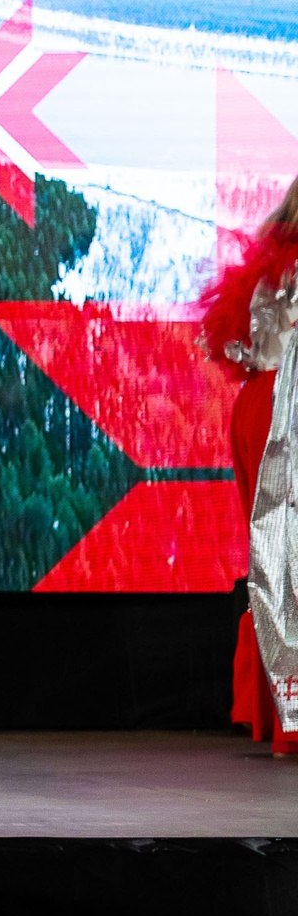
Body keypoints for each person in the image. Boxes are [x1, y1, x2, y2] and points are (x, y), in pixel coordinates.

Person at [203, 175, 298, 756]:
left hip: (258, 406)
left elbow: (235, 344)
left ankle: (282, 711)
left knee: (275, 559)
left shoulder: (268, 270)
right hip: (286, 408)